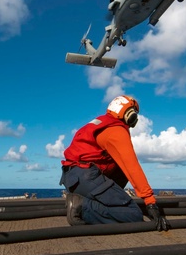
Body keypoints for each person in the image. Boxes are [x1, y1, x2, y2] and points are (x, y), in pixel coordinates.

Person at [60, 95, 168, 230]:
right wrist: (150, 203)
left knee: (120, 168)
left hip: (72, 179)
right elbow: (132, 166)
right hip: (86, 176)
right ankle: (81, 207)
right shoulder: (116, 130)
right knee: (133, 214)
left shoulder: (100, 123)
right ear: (129, 114)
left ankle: (98, 202)